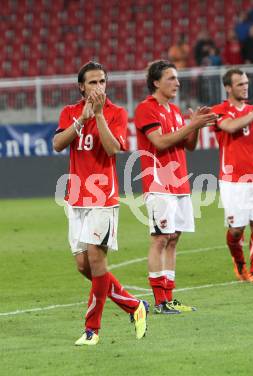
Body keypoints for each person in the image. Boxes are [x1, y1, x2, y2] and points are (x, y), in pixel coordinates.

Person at [53, 61, 148, 345]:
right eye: (93, 82)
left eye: (102, 81)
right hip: (76, 198)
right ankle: (134, 306)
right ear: (81, 86)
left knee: (96, 259)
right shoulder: (69, 112)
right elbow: (58, 144)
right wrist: (81, 119)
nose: (99, 87)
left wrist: (99, 117)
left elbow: (113, 148)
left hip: (103, 198)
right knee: (84, 265)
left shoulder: (116, 113)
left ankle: (92, 329)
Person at [134, 60, 217, 313]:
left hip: (180, 182)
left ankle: (169, 297)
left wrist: (195, 126)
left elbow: (187, 146)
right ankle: (160, 300)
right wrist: (190, 126)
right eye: (171, 78)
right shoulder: (146, 109)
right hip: (159, 183)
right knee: (160, 238)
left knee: (173, 239)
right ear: (156, 82)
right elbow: (159, 142)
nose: (177, 83)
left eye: (177, 78)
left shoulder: (173, 110)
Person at [211, 68, 253, 283]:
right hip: (233, 180)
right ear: (228, 88)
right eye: (240, 84)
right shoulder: (219, 110)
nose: (245, 87)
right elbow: (231, 127)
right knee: (236, 229)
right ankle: (239, 263)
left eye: (246, 83)